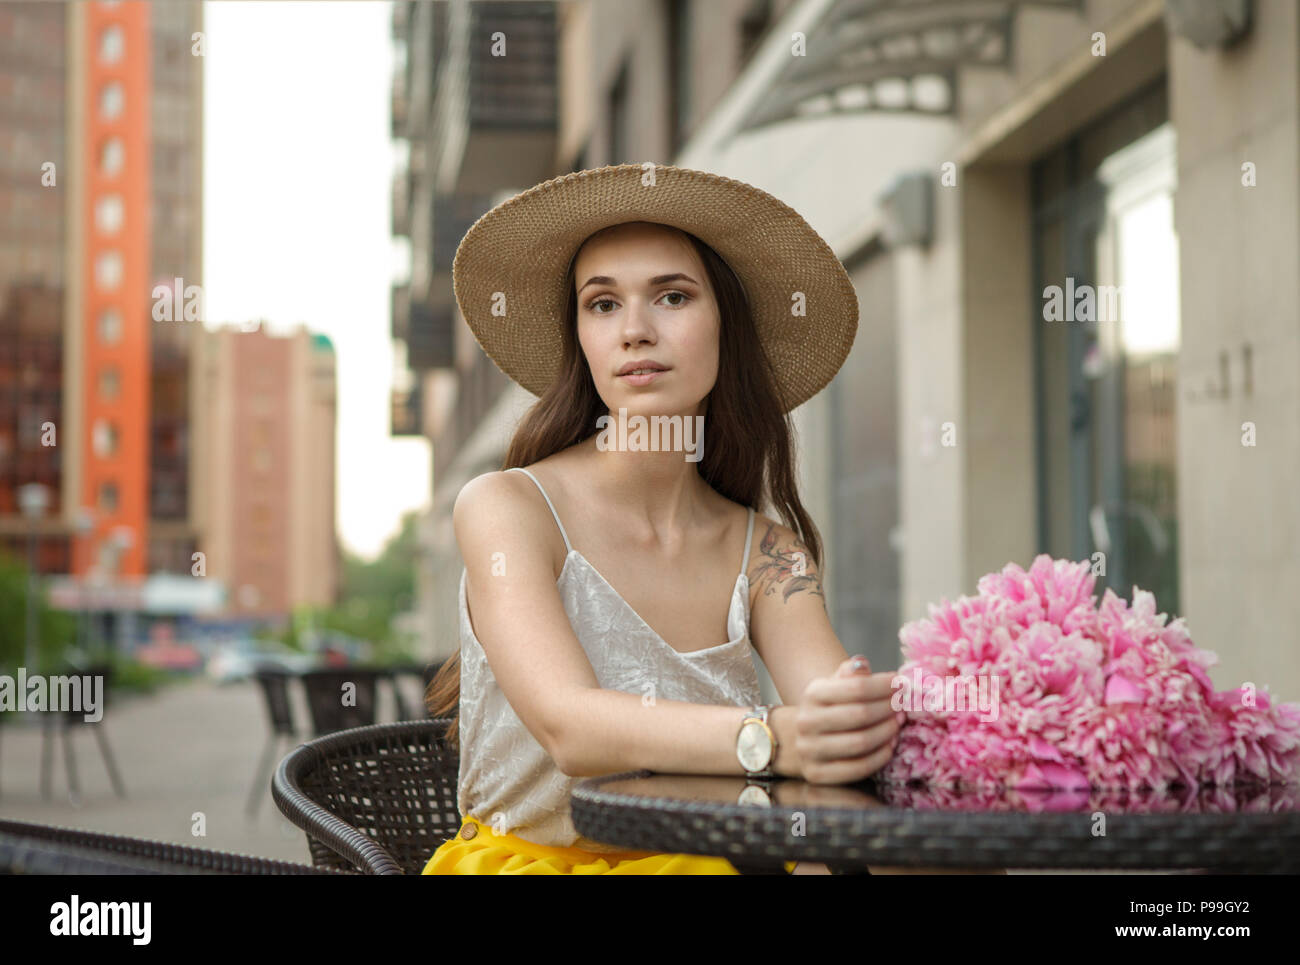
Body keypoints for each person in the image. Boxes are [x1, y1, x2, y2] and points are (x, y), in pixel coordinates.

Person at [422, 162, 897, 875]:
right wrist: (773, 739)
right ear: (579, 335)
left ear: (726, 327)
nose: (635, 331)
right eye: (603, 304)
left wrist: (865, 720)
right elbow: (570, 726)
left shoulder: (770, 553)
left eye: (672, 296)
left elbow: (834, 723)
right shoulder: (507, 507)